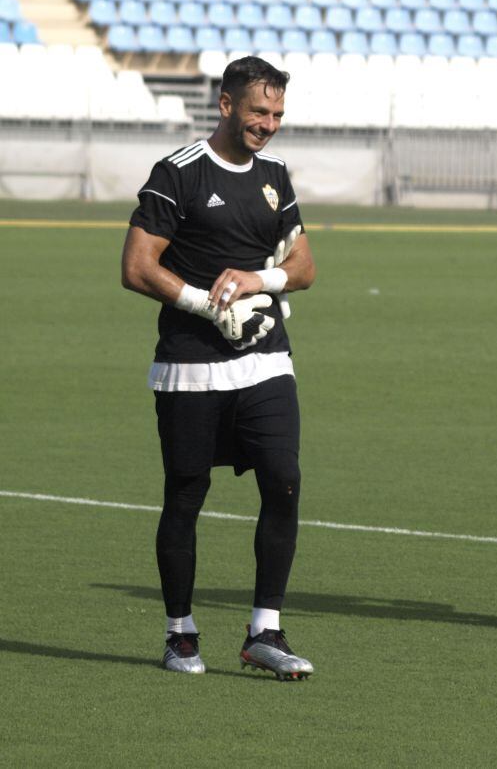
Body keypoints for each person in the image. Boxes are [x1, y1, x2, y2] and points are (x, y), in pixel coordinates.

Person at [121, 56, 317, 679]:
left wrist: (260, 279)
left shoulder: (276, 176)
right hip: (191, 367)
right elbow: (137, 265)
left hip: (266, 360)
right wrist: (206, 305)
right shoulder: (177, 173)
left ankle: (265, 629)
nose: (269, 124)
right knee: (185, 495)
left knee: (283, 480)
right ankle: (180, 633)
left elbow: (305, 266)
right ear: (227, 105)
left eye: (278, 114)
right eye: (259, 111)